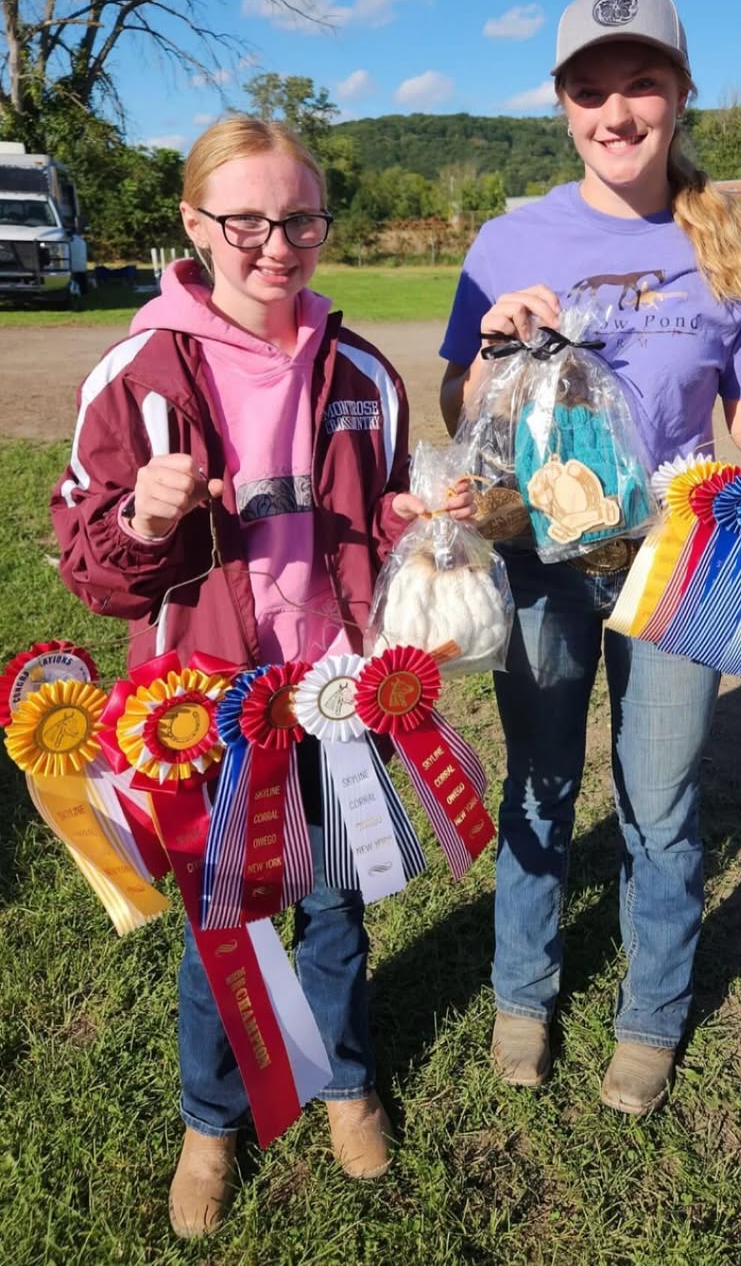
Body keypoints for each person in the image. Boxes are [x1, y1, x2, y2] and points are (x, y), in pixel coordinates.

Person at [439, 0, 741, 1116]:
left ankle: (649, 1014)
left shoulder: (733, 237)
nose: (617, 112)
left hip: (681, 562)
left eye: (641, 83)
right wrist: (493, 348)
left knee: (662, 793)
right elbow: (462, 411)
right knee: (541, 781)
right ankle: (522, 993)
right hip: (544, 552)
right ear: (562, 105)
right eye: (590, 90)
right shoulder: (509, 238)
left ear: (681, 93)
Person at [51, 116, 471, 1237]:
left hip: (331, 693)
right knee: (222, 925)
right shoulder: (137, 372)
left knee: (334, 904)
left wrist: (415, 516)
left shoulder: (361, 370)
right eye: (246, 221)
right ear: (194, 225)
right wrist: (142, 518)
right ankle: (211, 1119)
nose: (277, 245)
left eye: (300, 219)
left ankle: (344, 1081)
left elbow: (379, 517)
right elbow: (89, 564)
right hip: (203, 707)